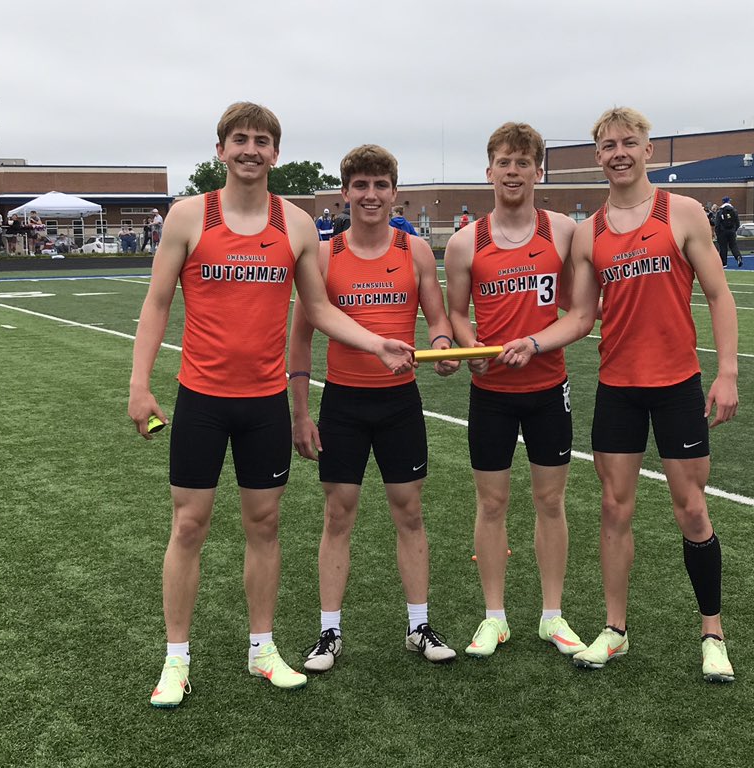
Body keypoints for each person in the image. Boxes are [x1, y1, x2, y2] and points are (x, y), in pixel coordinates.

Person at [128, 102, 415, 708]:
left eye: (262, 141)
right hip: (202, 398)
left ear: (276, 154)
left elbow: (319, 308)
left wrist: (375, 343)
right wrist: (139, 383)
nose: (250, 150)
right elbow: (156, 303)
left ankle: (262, 648)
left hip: (265, 403)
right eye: (240, 139)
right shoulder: (188, 216)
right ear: (221, 150)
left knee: (265, 525)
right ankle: (176, 659)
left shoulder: (298, 224)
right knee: (189, 525)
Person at [501, 107, 739, 683]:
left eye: (629, 143)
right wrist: (533, 341)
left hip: (677, 385)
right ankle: (614, 630)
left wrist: (727, 372)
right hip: (618, 389)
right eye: (608, 146)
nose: (619, 153)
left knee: (692, 508)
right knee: (614, 508)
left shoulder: (682, 212)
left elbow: (719, 294)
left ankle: (712, 634)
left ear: (647, 150)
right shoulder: (589, 233)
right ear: (598, 156)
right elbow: (581, 316)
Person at [289, 144, 459, 674]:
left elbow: (439, 320)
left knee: (409, 511)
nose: (370, 194)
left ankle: (418, 626)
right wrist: (300, 413)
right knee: (338, 514)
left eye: (380, 185)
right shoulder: (324, 255)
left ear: (394, 192)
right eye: (360, 185)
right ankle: (329, 632)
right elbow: (299, 341)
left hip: (400, 403)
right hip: (343, 402)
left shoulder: (416, 251)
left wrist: (443, 345)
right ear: (345, 192)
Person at [444, 121, 587, 661]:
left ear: (538, 172)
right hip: (492, 393)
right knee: (492, 502)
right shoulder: (465, 242)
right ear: (489, 172)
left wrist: (534, 342)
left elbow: (580, 312)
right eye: (504, 162)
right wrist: (471, 347)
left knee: (550, 500)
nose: (513, 171)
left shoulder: (563, 232)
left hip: (549, 388)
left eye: (523, 163)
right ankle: (494, 617)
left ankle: (552, 615)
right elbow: (458, 314)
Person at [713, 197, 743, 267]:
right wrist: (734, 229)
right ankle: (738, 256)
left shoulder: (720, 211)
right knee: (733, 245)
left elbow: (717, 223)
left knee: (723, 247)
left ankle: (724, 263)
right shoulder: (734, 210)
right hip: (731, 231)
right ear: (728, 202)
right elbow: (737, 222)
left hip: (722, 232)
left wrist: (717, 233)